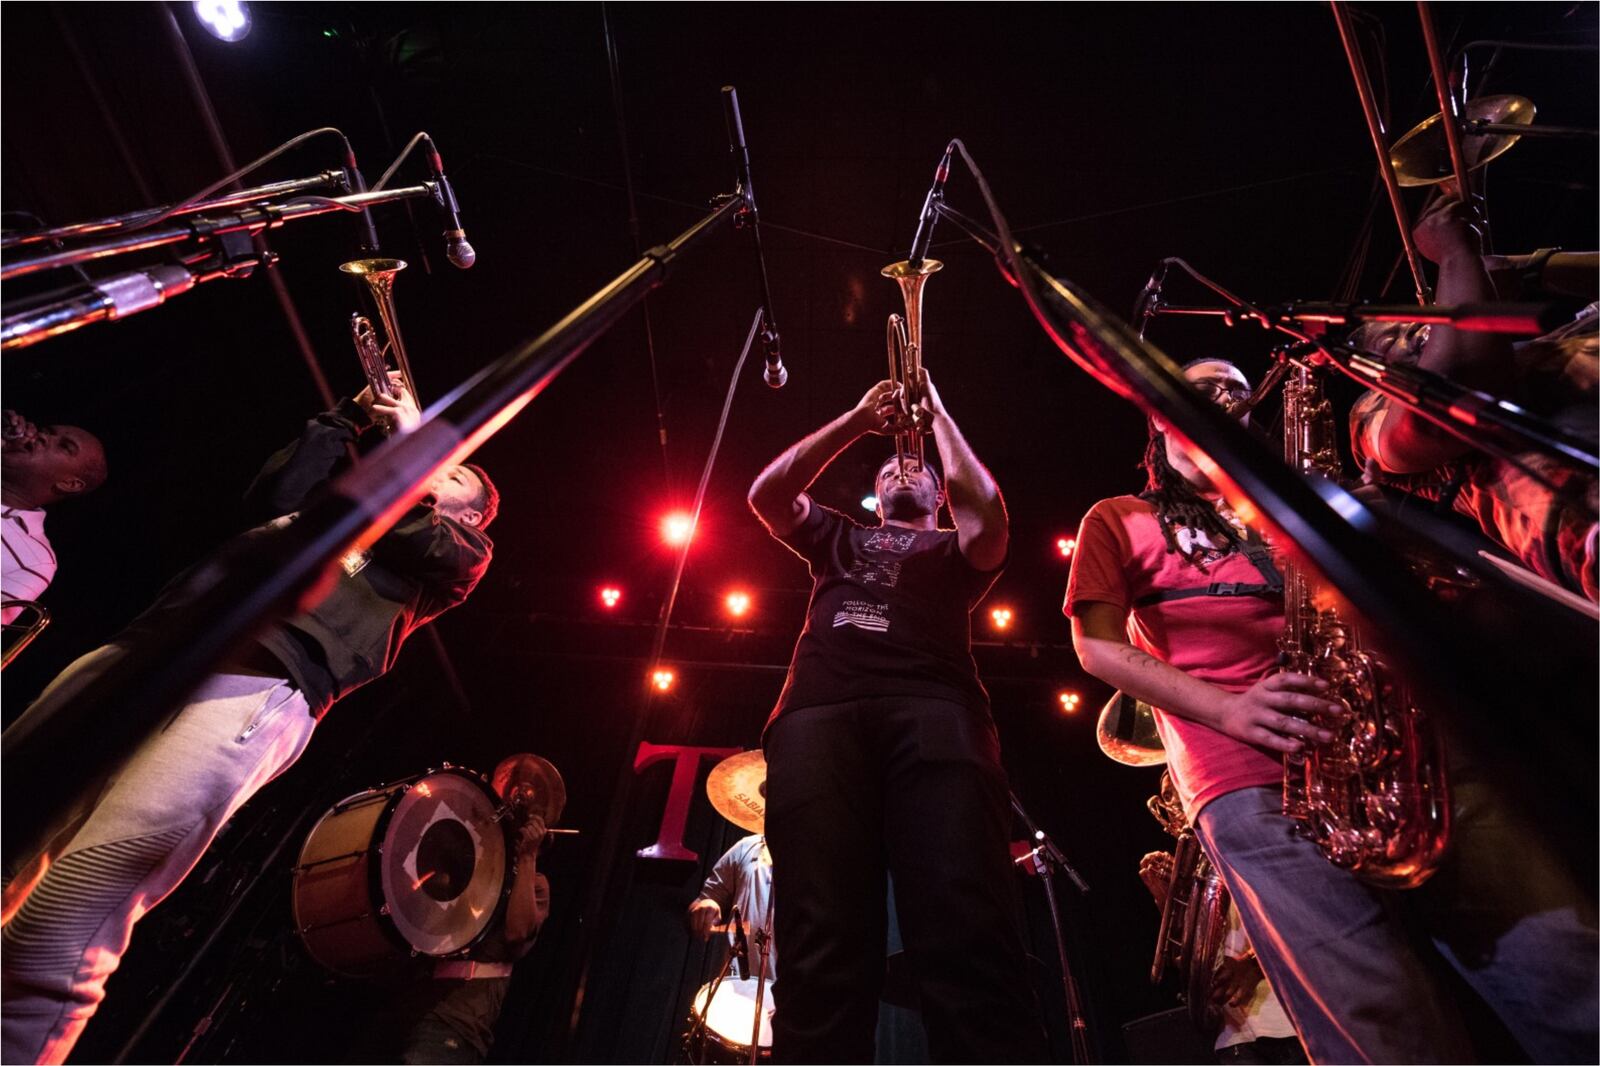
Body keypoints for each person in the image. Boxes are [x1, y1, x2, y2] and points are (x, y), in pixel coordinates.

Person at [1067, 357, 1598, 1063]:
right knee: (1377, 1022)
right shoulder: (1118, 518)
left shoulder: (1293, 506)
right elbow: (1094, 649)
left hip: (1400, 757)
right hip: (1251, 781)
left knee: (1566, 970)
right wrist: (1228, 711)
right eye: (1194, 393)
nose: (1218, 401)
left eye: (1234, 391)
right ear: (1157, 421)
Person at [1, 375, 498, 1065]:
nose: (434, 465)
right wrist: (345, 418)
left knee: (63, 916)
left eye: (455, 472)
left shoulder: (459, 556)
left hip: (257, 684)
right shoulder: (344, 508)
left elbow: (418, 531)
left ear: (470, 516)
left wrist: (416, 442)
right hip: (153, 646)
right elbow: (275, 496)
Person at [747, 372, 1045, 1063]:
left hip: (936, 714)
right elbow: (766, 495)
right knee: (817, 945)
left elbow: (991, 519)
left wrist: (935, 413)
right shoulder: (838, 539)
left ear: (940, 494)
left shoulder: (958, 548)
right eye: (888, 469)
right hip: (817, 718)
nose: (900, 470)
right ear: (875, 495)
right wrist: (857, 420)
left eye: (915, 468)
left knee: (968, 934)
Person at [1347, 195, 1598, 601]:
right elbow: (1456, 389)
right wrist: (1455, 255)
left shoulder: (1556, 339)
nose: (1416, 332)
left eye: (1418, 320)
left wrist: (1523, 270)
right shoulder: (1372, 410)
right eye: (1391, 338)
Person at [378, 753, 559, 1065]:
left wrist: (527, 856)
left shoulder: (535, 884)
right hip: (401, 1002)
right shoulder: (465, 856)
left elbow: (517, 935)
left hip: (453, 1022)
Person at [1136, 849, 1305, 1066]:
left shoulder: (1262, 841)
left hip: (1294, 1022)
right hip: (1235, 1036)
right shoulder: (1203, 858)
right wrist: (1171, 900)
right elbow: (1191, 960)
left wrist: (1254, 964)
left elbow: (1308, 919)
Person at [1, 410, 108, 624]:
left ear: (69, 484)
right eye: (46, 431)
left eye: (64, 446)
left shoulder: (35, 562)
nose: (42, 436)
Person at [688, 832, 775, 980]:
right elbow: (703, 902)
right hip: (738, 989)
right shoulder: (748, 847)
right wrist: (706, 906)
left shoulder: (822, 854)